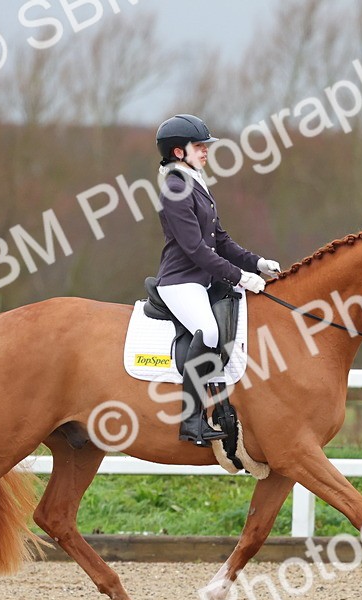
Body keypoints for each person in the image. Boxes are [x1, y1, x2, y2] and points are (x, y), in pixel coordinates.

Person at [154, 114, 281, 446]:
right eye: (199, 146)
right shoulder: (175, 188)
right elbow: (195, 248)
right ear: (178, 152)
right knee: (208, 331)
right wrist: (240, 276)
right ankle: (190, 420)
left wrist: (257, 263)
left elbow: (221, 241)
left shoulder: (196, 184)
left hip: (202, 279)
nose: (206, 151)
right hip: (181, 281)